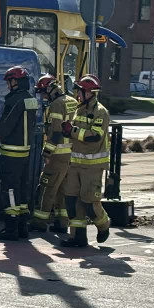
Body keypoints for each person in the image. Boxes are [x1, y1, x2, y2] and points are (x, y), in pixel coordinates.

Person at [60, 74, 111, 248]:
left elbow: (94, 137)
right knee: (72, 201)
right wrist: (66, 131)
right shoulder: (78, 110)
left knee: (89, 202)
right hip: (75, 164)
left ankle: (104, 225)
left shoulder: (100, 112)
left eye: (80, 91)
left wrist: (72, 131)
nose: (78, 95)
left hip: (93, 167)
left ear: (90, 92)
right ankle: (77, 237)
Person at [0, 65, 38, 241]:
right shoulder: (30, 99)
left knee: (10, 190)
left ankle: (11, 228)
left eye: (10, 82)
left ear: (16, 82)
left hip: (11, 153)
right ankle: (22, 226)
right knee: (22, 189)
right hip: (25, 153)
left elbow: (5, 126)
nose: (8, 86)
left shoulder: (14, 100)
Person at [30, 73, 77, 234]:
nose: (43, 96)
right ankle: (62, 222)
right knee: (62, 189)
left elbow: (56, 132)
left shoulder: (56, 104)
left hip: (57, 154)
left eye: (43, 92)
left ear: (51, 89)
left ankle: (39, 221)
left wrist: (47, 153)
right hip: (71, 154)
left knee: (47, 187)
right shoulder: (72, 101)